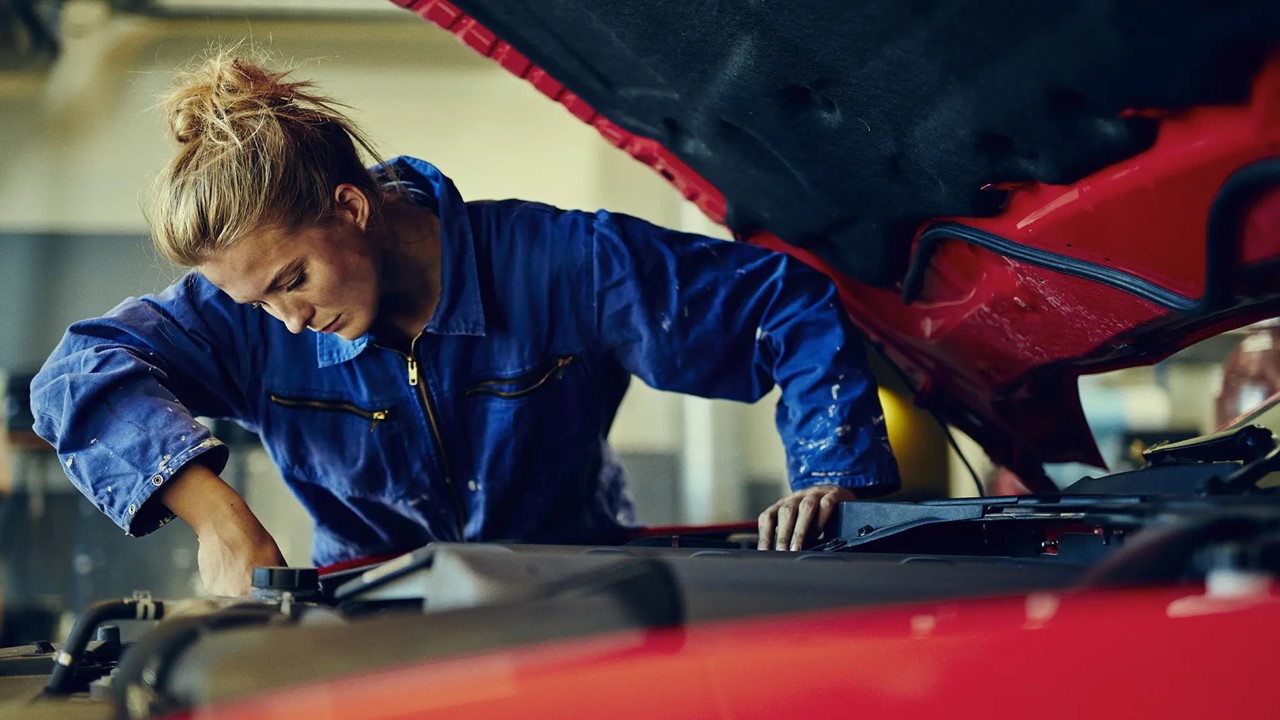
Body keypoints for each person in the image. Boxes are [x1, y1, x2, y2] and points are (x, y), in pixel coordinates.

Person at [30, 51, 899, 596]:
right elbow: (77, 374)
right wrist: (222, 520)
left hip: (578, 605)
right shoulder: (246, 321)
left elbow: (782, 303)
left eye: (293, 281)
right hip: (371, 624)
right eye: (258, 303)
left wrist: (835, 472)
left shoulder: (567, 265)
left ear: (351, 208)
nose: (288, 324)